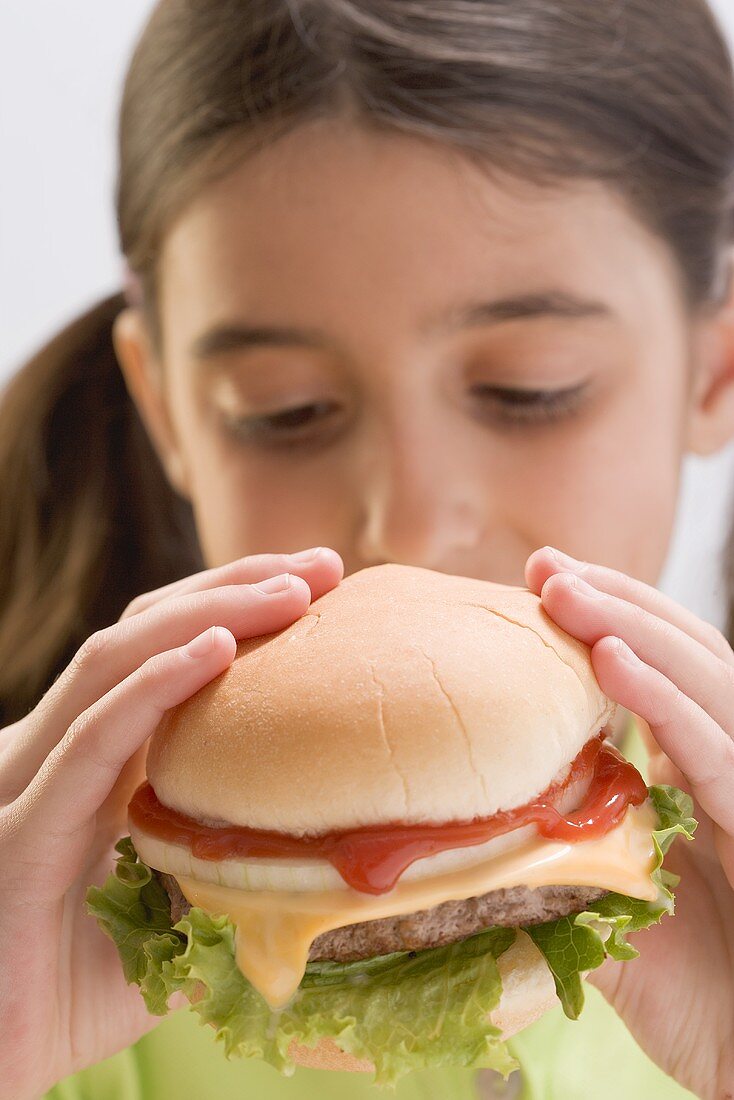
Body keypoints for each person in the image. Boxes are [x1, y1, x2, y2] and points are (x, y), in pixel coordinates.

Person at [1, 1, 734, 1097]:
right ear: (166, 412)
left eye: (526, 390)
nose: (409, 530)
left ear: (712, 371)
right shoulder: (41, 963)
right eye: (283, 410)